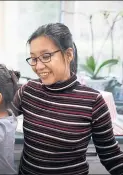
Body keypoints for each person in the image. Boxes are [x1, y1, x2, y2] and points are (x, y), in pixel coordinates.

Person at [12, 23, 123, 175]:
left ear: (68, 54)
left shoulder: (93, 102)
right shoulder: (28, 90)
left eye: (46, 56)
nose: (38, 66)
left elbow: (111, 156)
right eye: (33, 59)